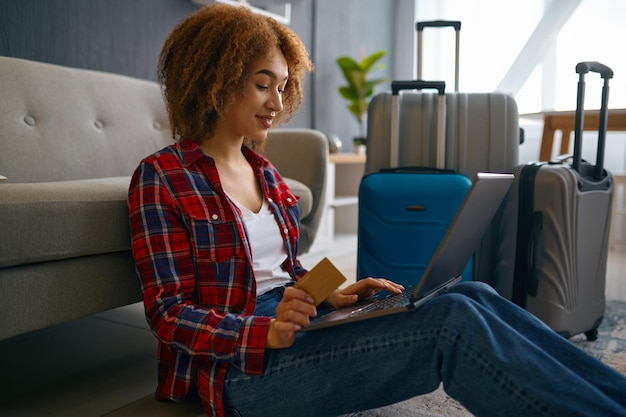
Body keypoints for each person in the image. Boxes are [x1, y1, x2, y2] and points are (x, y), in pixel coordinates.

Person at [127, 4, 626, 417]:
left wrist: (335, 296)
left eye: (282, 87)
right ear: (216, 79)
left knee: (473, 292)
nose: (277, 102)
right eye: (263, 84)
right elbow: (168, 314)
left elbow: (285, 273)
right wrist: (266, 331)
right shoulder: (163, 178)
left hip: (295, 326)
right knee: (451, 323)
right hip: (241, 371)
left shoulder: (268, 175)